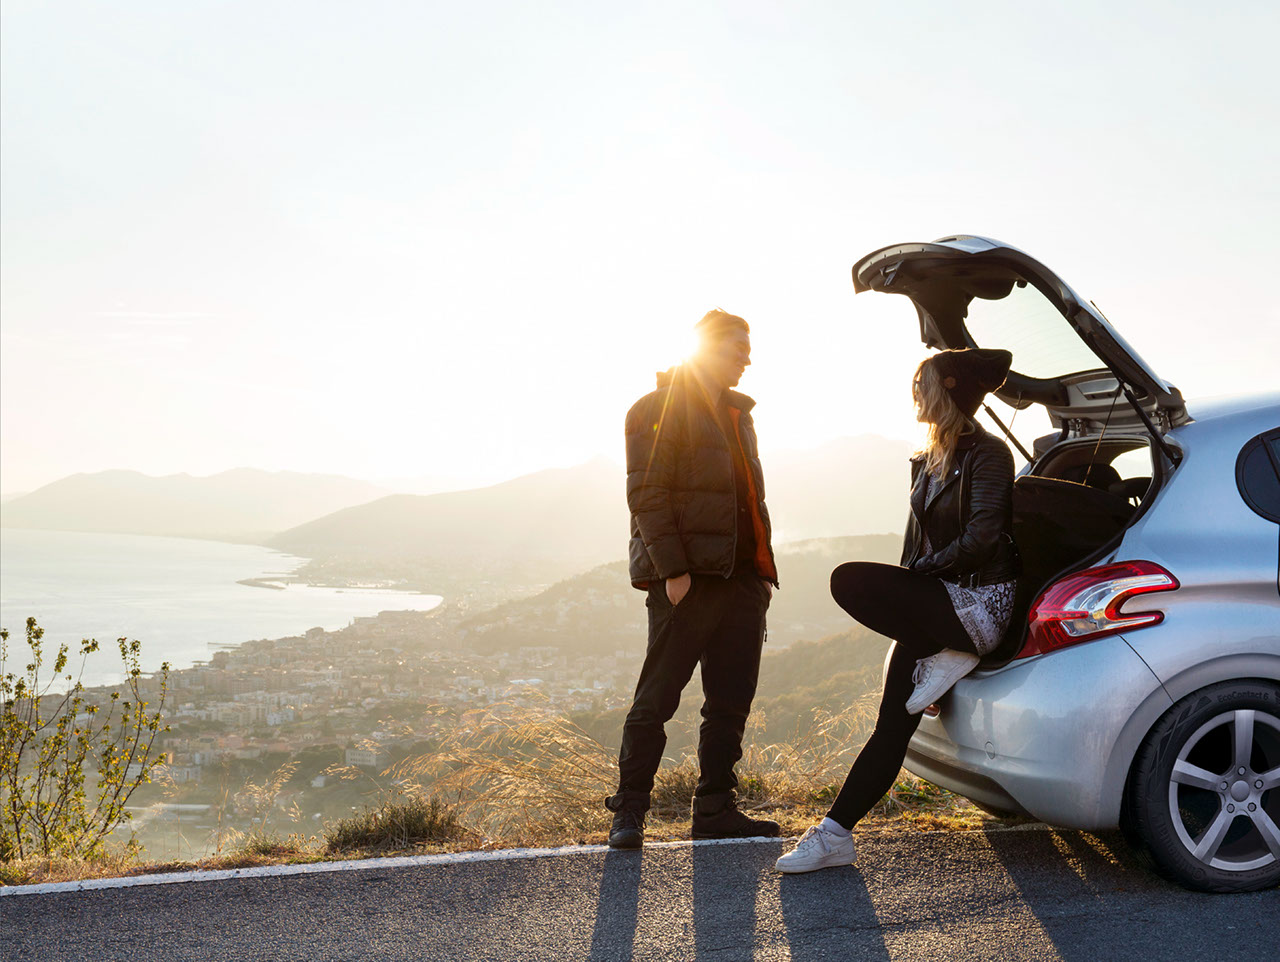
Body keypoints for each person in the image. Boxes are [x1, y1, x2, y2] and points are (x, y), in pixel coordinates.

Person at [774, 347, 1020, 873]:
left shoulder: (990, 453)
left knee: (849, 580)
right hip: (936, 608)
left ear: (949, 387)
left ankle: (955, 650)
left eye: (922, 381)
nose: (914, 391)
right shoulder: (925, 458)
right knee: (891, 725)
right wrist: (912, 583)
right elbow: (918, 544)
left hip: (978, 601)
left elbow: (981, 539)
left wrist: (917, 579)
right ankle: (835, 836)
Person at [605, 309, 781, 849]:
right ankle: (629, 812)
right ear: (704, 347)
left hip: (743, 579)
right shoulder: (653, 410)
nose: (747, 357)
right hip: (688, 582)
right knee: (656, 699)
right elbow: (646, 495)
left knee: (729, 701)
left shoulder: (738, 414)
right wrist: (674, 573)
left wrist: (759, 575)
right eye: (737, 346)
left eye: (748, 347)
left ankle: (714, 808)